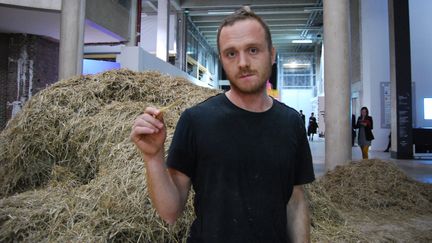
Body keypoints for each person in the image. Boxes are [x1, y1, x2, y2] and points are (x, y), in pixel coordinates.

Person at [130, 7, 315, 243]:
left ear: (272, 54)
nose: (243, 63)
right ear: (222, 61)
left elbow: (295, 201)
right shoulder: (196, 120)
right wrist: (153, 157)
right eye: (231, 54)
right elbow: (170, 212)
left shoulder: (291, 123)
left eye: (253, 50)